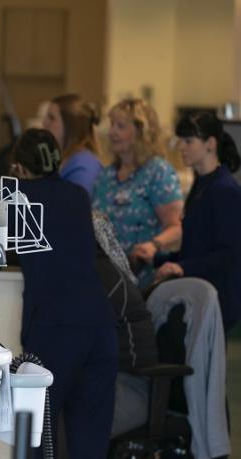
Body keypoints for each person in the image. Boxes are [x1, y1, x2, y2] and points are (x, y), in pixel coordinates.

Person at [12, 128, 118, 459]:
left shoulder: (16, 199)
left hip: (54, 332)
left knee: (38, 449)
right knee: (89, 452)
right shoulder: (77, 195)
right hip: (99, 328)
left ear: (18, 168)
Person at [155, 111, 241, 333]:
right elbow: (195, 247)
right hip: (197, 294)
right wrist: (158, 259)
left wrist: (181, 267)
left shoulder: (223, 190)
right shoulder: (202, 184)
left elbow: (227, 253)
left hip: (215, 299)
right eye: (180, 140)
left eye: (188, 141)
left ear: (210, 143)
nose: (181, 147)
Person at [92, 98, 183, 286]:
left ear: (141, 132)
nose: (112, 132)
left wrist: (154, 245)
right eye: (112, 125)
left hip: (144, 279)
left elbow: (176, 227)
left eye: (121, 126)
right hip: (106, 277)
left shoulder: (158, 172)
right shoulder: (106, 176)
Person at [42, 93, 103, 195]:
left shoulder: (84, 169)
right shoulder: (65, 160)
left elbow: (76, 208)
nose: (44, 123)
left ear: (70, 126)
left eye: (51, 118)